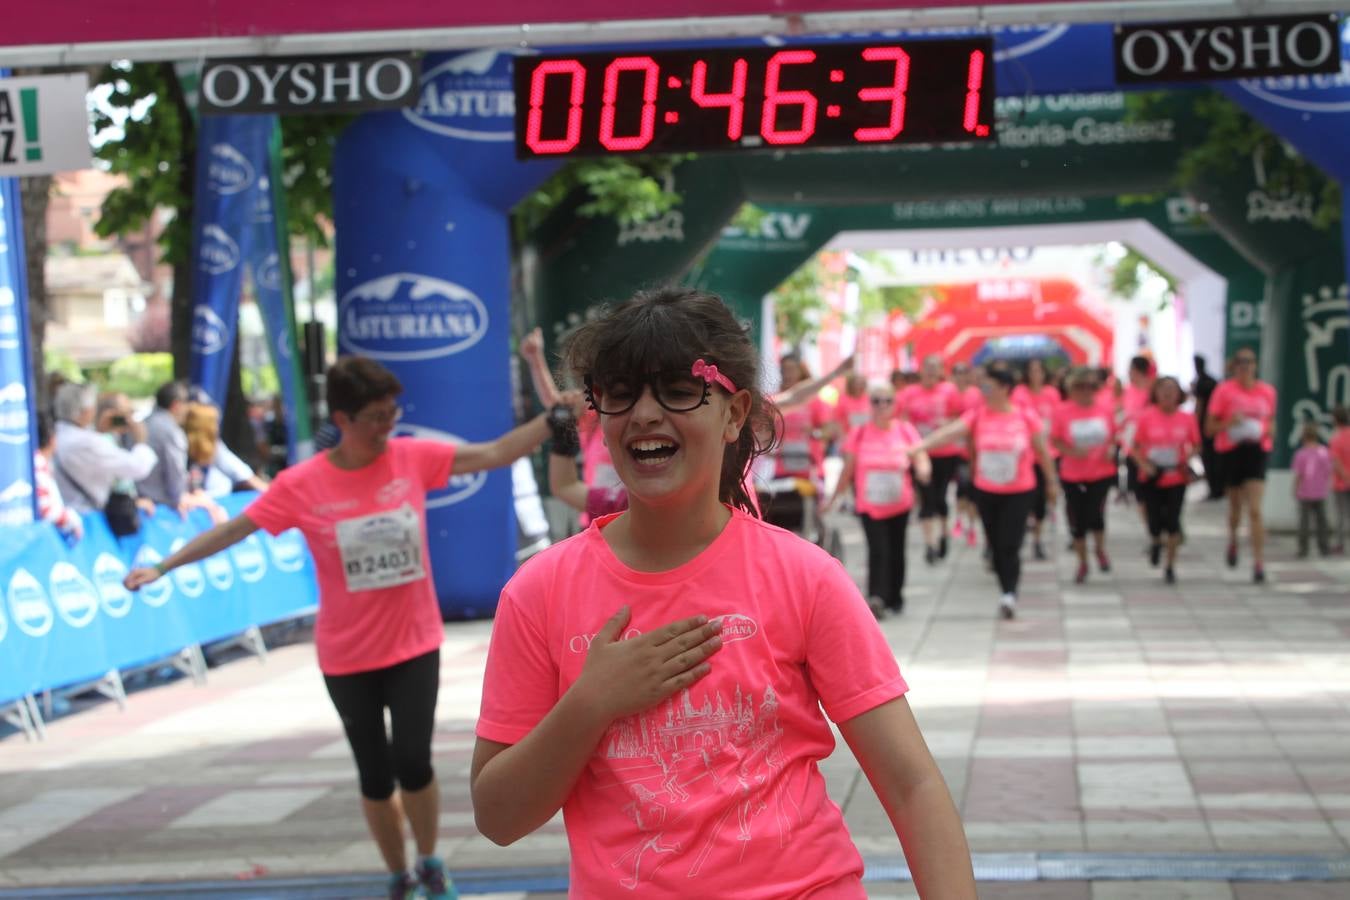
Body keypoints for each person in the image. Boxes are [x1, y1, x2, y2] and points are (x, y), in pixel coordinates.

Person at [470, 287, 975, 899]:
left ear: (735, 414)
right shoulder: (539, 592)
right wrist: (589, 704)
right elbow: (498, 819)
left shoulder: (803, 577)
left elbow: (911, 784)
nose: (645, 414)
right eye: (621, 392)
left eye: (679, 391)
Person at [123, 356, 579, 900]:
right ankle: (399, 874)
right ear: (342, 419)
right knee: (374, 774)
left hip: (414, 644)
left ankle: (431, 862)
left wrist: (551, 419)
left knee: (413, 761)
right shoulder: (303, 484)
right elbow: (236, 532)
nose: (388, 426)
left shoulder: (409, 458)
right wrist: (164, 566)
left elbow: (495, 453)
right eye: (376, 417)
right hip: (347, 656)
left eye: (393, 413)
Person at [913, 363, 1057, 619]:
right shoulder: (978, 415)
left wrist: (1051, 482)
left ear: (1005, 388)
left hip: (1019, 490)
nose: (984, 391)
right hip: (987, 490)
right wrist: (919, 446)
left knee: (1010, 543)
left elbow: (1042, 452)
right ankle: (1004, 585)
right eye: (982, 386)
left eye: (989, 386)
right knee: (995, 542)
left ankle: (1009, 593)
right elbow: (949, 432)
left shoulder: (1024, 416)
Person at [825, 382, 930, 617]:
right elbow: (848, 469)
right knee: (878, 549)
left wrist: (923, 469)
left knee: (896, 549)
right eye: (876, 401)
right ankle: (877, 597)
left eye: (887, 401)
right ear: (870, 405)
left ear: (895, 404)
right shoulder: (860, 433)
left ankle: (896, 597)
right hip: (869, 505)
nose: (881, 406)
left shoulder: (905, 430)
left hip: (899, 503)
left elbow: (920, 454)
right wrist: (833, 499)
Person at [1205, 348, 1277, 583]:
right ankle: (1234, 539)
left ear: (1256, 365)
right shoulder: (1224, 391)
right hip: (1231, 451)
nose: (1245, 366)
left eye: (1249, 361)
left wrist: (1263, 430)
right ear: (1234, 366)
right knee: (1235, 508)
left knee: (1255, 509)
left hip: (1256, 451)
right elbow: (1209, 428)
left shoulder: (1267, 391)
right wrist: (1229, 423)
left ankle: (1258, 562)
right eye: (1241, 362)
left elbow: (1272, 424)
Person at [1049, 368, 1117, 583]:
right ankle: (1082, 562)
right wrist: (1071, 452)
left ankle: (1099, 550)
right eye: (1080, 387)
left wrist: (1111, 450)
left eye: (1090, 387)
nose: (1085, 391)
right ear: (1071, 389)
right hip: (1073, 474)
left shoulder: (1105, 409)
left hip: (1101, 471)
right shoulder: (1062, 411)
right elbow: (1055, 440)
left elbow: (1114, 436)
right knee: (1077, 519)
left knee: (1096, 513)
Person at [51, 382, 158, 517]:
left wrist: (100, 431)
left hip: (73, 515)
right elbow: (137, 467)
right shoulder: (87, 442)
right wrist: (141, 440)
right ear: (86, 411)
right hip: (87, 517)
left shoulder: (57, 434)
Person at [1132, 377, 1201, 583]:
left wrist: (1186, 459)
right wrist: (1144, 465)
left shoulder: (1187, 418)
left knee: (1173, 521)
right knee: (1154, 519)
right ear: (1156, 394)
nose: (1168, 394)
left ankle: (1170, 566)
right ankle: (1155, 541)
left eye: (1172, 390)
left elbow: (1196, 444)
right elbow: (1135, 447)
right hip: (1152, 475)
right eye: (1163, 390)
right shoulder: (1146, 417)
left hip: (1176, 476)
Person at [897, 354, 962, 564]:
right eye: (928, 367)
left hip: (945, 452)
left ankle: (944, 534)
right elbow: (902, 420)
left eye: (936, 368)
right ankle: (930, 544)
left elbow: (959, 417)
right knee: (926, 498)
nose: (932, 372)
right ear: (922, 370)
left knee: (941, 497)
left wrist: (947, 422)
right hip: (920, 453)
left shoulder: (949, 391)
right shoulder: (910, 392)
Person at [1011, 357, 1060, 561]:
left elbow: (1057, 420)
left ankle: (1038, 539)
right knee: (1024, 499)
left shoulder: (1052, 394)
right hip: (1025, 457)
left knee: (1042, 500)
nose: (1035, 375)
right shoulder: (1019, 394)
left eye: (1039, 370)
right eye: (1031, 371)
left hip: (1048, 455)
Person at [184, 402, 269, 498]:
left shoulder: (214, 447)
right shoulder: (183, 450)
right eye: (214, 423)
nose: (217, 427)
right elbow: (242, 474)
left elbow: (241, 472)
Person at [136, 381, 193, 513]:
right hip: (162, 507)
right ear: (176, 405)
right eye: (186, 403)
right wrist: (179, 497)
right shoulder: (171, 431)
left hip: (141, 503)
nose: (187, 409)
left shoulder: (141, 424)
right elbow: (175, 470)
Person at [34, 411, 83, 543]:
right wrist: (70, 518)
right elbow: (47, 510)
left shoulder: (41, 463)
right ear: (52, 439)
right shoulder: (37, 464)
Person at [949, 361, 982, 548]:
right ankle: (960, 521)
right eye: (958, 372)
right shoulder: (950, 393)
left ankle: (970, 526)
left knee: (972, 492)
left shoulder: (976, 394)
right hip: (956, 451)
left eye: (964, 372)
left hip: (973, 452)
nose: (961, 376)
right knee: (961, 490)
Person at [1291, 421, 1333, 559]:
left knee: (1304, 522)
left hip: (1305, 492)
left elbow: (1298, 475)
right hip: (1320, 491)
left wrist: (1294, 489)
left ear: (1303, 437)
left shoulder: (1300, 454)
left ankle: (1303, 549)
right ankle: (1324, 547)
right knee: (1322, 521)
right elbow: (1328, 471)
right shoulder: (1324, 452)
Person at [1191, 354, 1222, 500]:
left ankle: (1215, 488)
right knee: (1213, 457)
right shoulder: (1212, 381)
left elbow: (1199, 405)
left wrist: (1195, 424)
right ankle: (1217, 487)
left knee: (1209, 457)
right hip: (1215, 422)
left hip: (1206, 424)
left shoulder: (1202, 382)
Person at [1331, 406, 1350, 553]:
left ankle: (1340, 544)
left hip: (1341, 482)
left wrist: (1345, 477)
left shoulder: (1336, 438)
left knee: (1341, 515)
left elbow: (1336, 461)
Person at [834, 372, 871, 436]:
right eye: (857, 384)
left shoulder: (868, 398)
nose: (860, 386)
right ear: (851, 385)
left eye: (862, 384)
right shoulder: (843, 399)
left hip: (866, 436)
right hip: (848, 435)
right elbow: (837, 420)